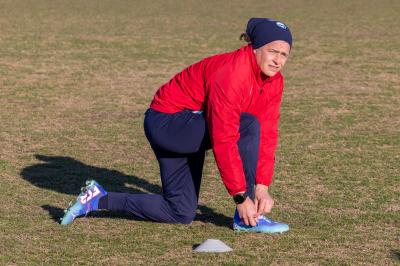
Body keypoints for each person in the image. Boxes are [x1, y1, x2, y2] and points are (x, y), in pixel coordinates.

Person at [61, 18, 293, 233]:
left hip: (189, 126)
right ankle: (246, 217)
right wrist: (241, 196)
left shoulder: (274, 82)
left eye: (284, 54)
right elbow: (224, 136)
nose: (278, 60)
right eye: (273, 51)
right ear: (255, 47)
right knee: (247, 125)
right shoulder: (233, 74)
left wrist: (262, 185)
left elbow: (268, 133)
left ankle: (97, 199)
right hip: (166, 123)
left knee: (180, 211)